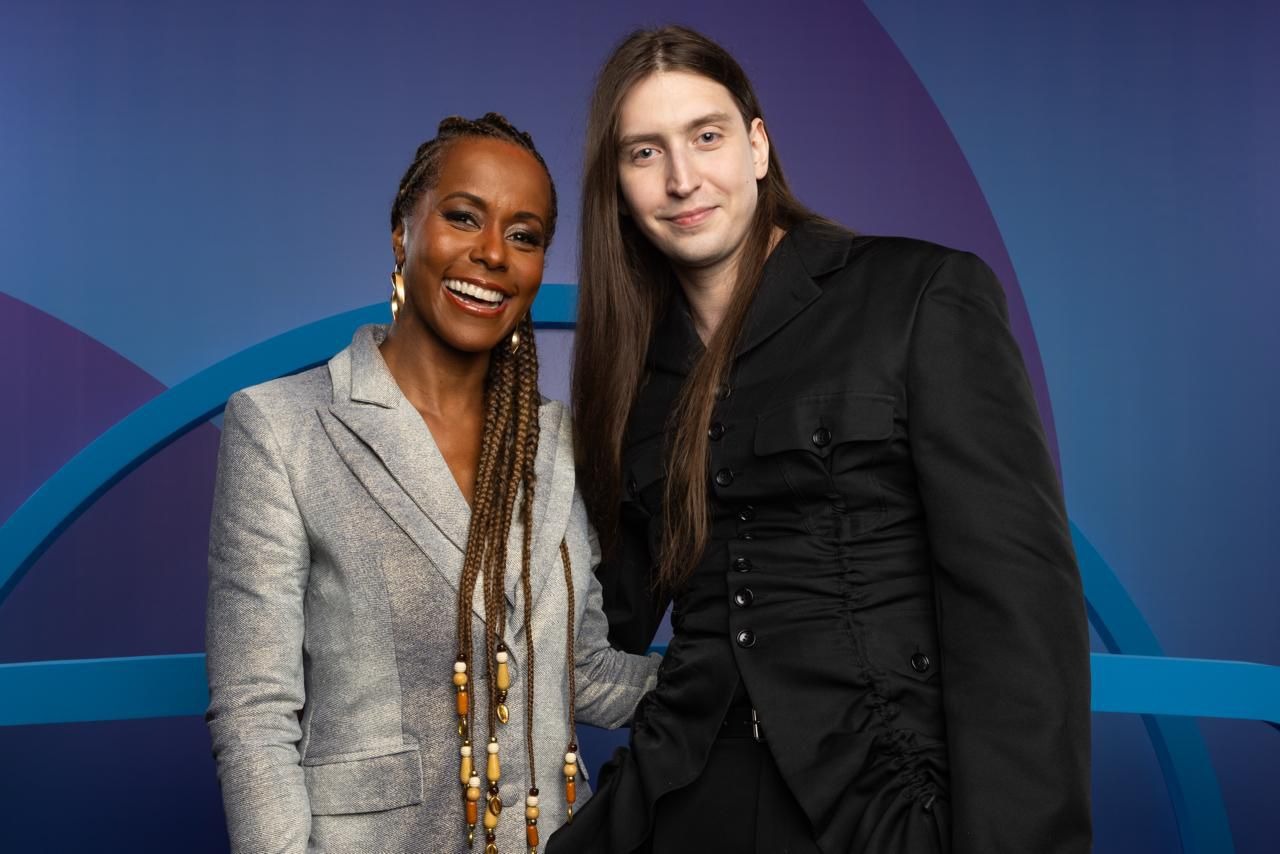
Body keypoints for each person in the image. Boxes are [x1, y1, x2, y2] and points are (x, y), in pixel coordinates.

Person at [549, 26, 1091, 854]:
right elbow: (602, 615)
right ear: (618, 187)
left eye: (706, 136)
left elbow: (1020, 611)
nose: (682, 178)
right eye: (645, 153)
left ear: (758, 147)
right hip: (682, 789)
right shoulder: (633, 377)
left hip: (883, 803)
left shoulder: (916, 295)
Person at [205, 113, 659, 854]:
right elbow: (254, 713)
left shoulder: (555, 441)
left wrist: (742, 674)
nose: (493, 253)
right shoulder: (282, 427)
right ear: (401, 233)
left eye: (524, 235)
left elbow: (581, 671)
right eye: (463, 217)